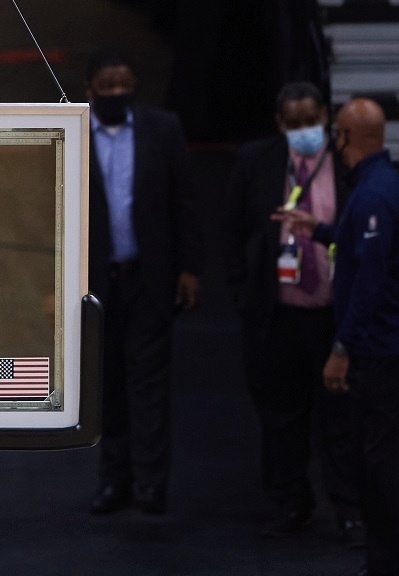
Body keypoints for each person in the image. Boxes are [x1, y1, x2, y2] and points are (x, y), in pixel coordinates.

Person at [276, 97, 399, 576]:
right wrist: (320, 229)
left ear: (347, 138)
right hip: (388, 347)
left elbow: (369, 280)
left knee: (387, 469)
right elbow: (358, 245)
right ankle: (387, 563)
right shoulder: (377, 189)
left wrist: (341, 348)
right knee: (380, 465)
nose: (334, 147)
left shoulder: (371, 196)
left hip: (387, 351)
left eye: (338, 137)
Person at [225, 81, 360, 542]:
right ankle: (290, 503)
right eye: (295, 123)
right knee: (281, 419)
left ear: (325, 115)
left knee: (340, 417)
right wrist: (245, 296)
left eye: (312, 120)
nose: (305, 130)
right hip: (278, 316)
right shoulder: (257, 162)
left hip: (332, 313)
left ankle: (349, 506)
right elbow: (234, 231)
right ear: (281, 124)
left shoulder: (346, 163)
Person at [84, 48, 203, 516]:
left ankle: (153, 483)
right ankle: (116, 481)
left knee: (150, 387)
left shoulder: (163, 128)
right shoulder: (72, 133)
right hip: (97, 284)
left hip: (149, 278)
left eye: (124, 86)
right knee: (107, 388)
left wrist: (189, 268)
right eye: (107, 86)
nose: (116, 93)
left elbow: (185, 202)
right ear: (88, 88)